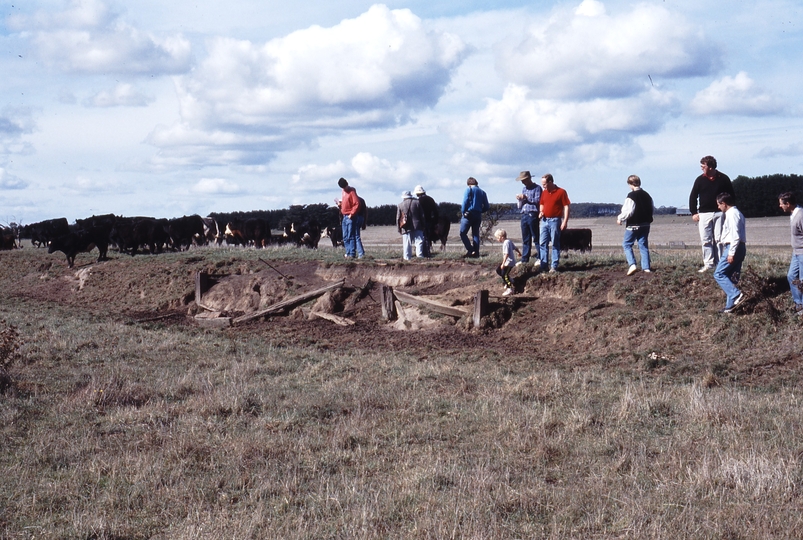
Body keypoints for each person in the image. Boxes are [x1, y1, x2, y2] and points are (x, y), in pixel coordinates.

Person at [688, 155, 735, 272]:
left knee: (719, 239)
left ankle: (719, 264)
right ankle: (708, 264)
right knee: (706, 239)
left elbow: (732, 195)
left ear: (710, 166)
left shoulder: (723, 179)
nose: (701, 168)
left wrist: (729, 210)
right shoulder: (699, 180)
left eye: (703, 166)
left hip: (720, 214)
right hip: (704, 214)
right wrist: (694, 212)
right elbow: (693, 196)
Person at [713, 192, 746, 313]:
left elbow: (735, 236)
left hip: (733, 247)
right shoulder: (737, 213)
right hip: (740, 247)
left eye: (718, 205)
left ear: (724, 203)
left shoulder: (732, 214)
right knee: (732, 278)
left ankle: (736, 294)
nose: (718, 207)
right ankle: (730, 306)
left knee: (719, 274)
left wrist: (731, 253)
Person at [616, 174, 653, 275]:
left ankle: (632, 264)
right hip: (646, 224)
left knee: (627, 244)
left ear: (631, 184)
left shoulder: (631, 196)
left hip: (634, 225)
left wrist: (620, 219)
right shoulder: (647, 195)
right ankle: (646, 268)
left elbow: (628, 211)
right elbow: (651, 209)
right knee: (643, 245)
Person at [538, 173, 570, 272]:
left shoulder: (561, 192)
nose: (543, 186)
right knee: (542, 243)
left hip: (555, 220)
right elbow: (542, 204)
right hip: (544, 221)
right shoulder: (544, 192)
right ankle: (543, 265)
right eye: (542, 184)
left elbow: (566, 206)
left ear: (550, 182)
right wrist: (541, 212)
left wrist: (564, 221)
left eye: (544, 184)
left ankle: (554, 266)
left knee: (555, 243)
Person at [779, 192, 803, 315]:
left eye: (781, 204)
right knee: (791, 277)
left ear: (788, 204)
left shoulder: (801, 215)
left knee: (802, 281)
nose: (780, 206)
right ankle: (799, 304)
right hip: (796, 252)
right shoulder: (793, 214)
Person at [515, 171, 542, 264]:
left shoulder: (537, 188)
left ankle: (540, 257)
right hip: (524, 214)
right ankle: (525, 259)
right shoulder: (524, 189)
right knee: (525, 238)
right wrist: (520, 200)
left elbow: (538, 200)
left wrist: (526, 198)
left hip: (532, 214)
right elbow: (522, 203)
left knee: (536, 237)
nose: (523, 182)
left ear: (528, 179)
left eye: (524, 180)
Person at [459, 177, 489, 258]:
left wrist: (463, 211)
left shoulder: (468, 189)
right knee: (475, 234)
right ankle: (476, 253)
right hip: (478, 215)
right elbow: (486, 206)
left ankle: (470, 250)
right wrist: (480, 211)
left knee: (462, 233)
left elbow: (465, 201)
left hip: (468, 214)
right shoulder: (483, 192)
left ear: (468, 183)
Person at [336, 178, 364, 259]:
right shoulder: (343, 191)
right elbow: (346, 203)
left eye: (345, 187)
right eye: (343, 188)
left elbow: (357, 204)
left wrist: (351, 214)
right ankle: (348, 253)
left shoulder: (352, 191)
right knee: (345, 236)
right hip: (344, 216)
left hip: (350, 216)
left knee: (351, 235)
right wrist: (340, 205)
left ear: (347, 184)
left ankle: (352, 254)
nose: (344, 189)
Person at [397, 191, 426, 260]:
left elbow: (398, 218)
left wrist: (399, 229)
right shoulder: (417, 203)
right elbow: (422, 216)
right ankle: (419, 257)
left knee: (407, 244)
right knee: (419, 242)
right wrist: (423, 225)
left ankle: (407, 259)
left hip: (406, 227)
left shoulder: (400, 205)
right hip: (417, 225)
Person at [494, 228, 521, 297]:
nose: (497, 240)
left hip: (509, 263)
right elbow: (515, 248)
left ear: (501, 237)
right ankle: (510, 280)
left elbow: (506, 254)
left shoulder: (506, 243)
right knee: (498, 270)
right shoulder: (509, 241)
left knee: (504, 275)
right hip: (507, 262)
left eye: (497, 238)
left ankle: (510, 288)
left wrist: (503, 263)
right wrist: (519, 253)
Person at [414, 185, 439, 257]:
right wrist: (435, 222)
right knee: (428, 237)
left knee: (422, 237)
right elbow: (435, 211)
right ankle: (427, 252)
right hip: (430, 221)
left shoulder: (418, 201)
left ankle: (424, 253)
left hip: (422, 221)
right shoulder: (431, 199)